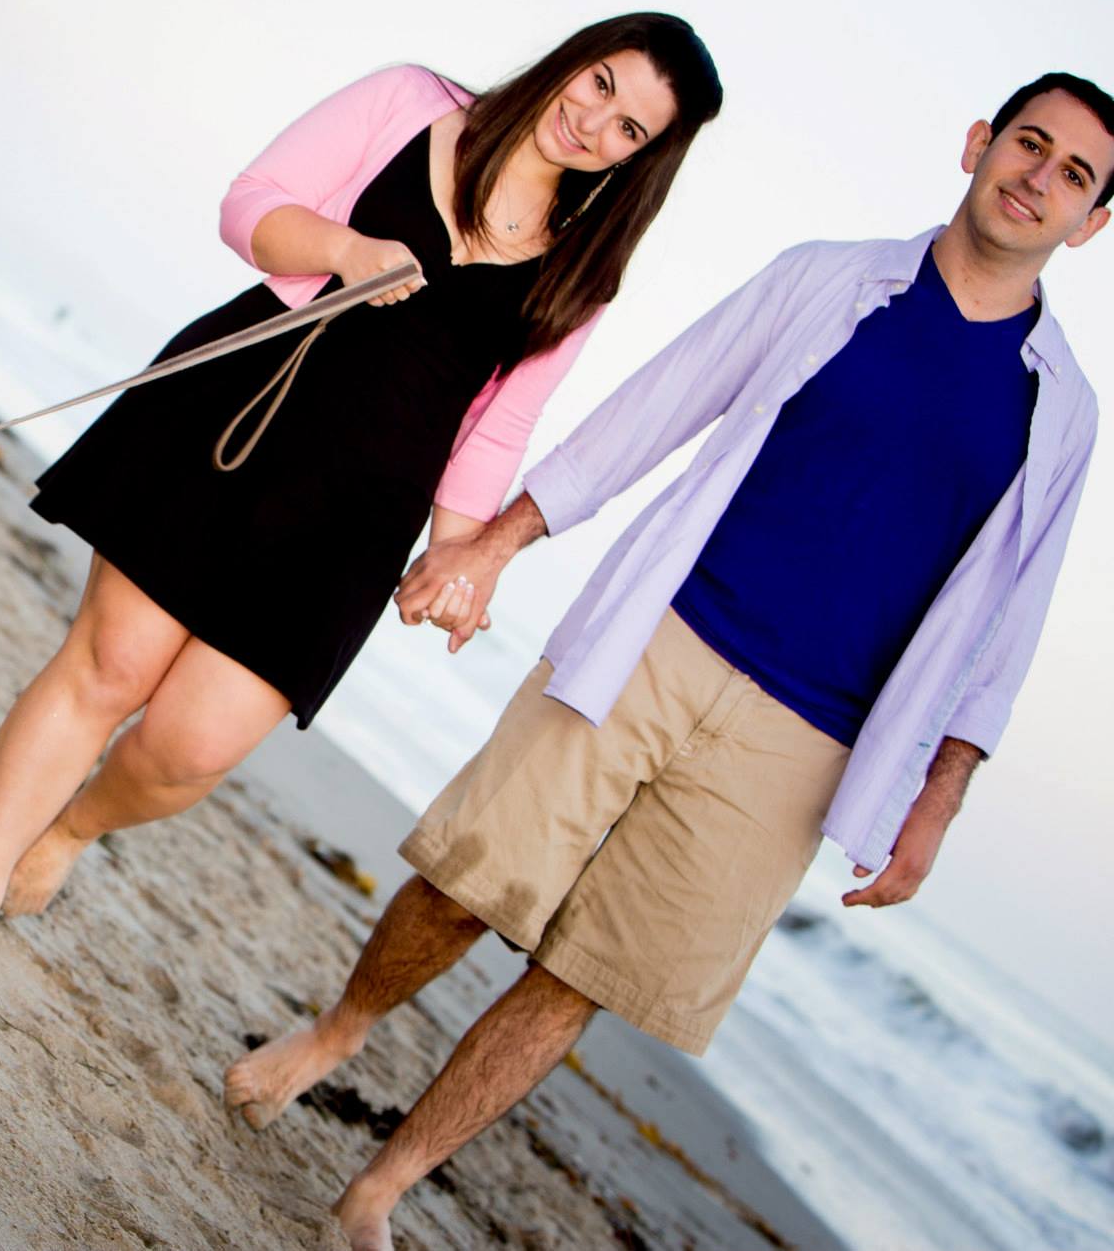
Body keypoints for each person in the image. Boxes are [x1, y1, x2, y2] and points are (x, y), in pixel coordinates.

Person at [225, 72, 1111, 1251]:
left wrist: (933, 796)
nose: (1035, 178)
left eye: (1072, 175)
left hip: (805, 742)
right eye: (1027, 144)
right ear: (975, 144)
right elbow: (661, 403)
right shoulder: (827, 280)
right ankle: (335, 1031)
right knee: (469, 873)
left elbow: (1011, 611)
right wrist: (494, 540)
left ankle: (379, 1187)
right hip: (662, 634)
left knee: (586, 972)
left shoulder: (1058, 410)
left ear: (1090, 222)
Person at [0, 14, 725, 947]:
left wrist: (461, 560)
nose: (594, 125)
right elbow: (251, 203)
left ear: (642, 160)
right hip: (238, 419)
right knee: (110, 666)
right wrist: (345, 250)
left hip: (353, 519)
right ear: (571, 62)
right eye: (600, 85)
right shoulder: (412, 103)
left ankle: (70, 826)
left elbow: (496, 426)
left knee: (192, 747)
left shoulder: (584, 275)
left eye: (629, 129)